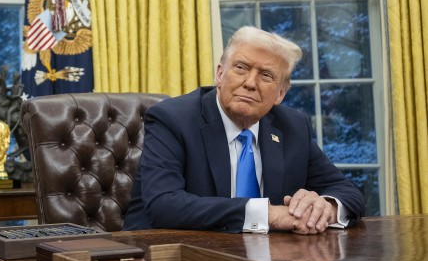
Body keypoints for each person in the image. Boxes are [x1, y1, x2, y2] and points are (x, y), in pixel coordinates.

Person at [123, 26, 364, 234]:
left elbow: (347, 191)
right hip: (167, 260)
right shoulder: (173, 119)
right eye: (240, 67)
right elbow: (164, 205)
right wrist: (269, 215)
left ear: (280, 93)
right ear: (220, 74)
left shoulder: (292, 126)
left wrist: (324, 208)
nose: (250, 83)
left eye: (266, 75)